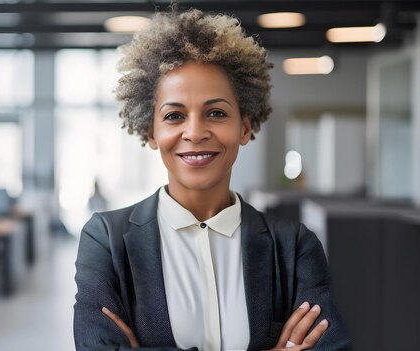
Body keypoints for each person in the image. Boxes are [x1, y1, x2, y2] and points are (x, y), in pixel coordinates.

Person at [73, 8, 351, 351]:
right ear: (151, 132)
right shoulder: (106, 241)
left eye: (216, 113)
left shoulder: (293, 247)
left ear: (245, 127)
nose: (195, 132)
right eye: (174, 116)